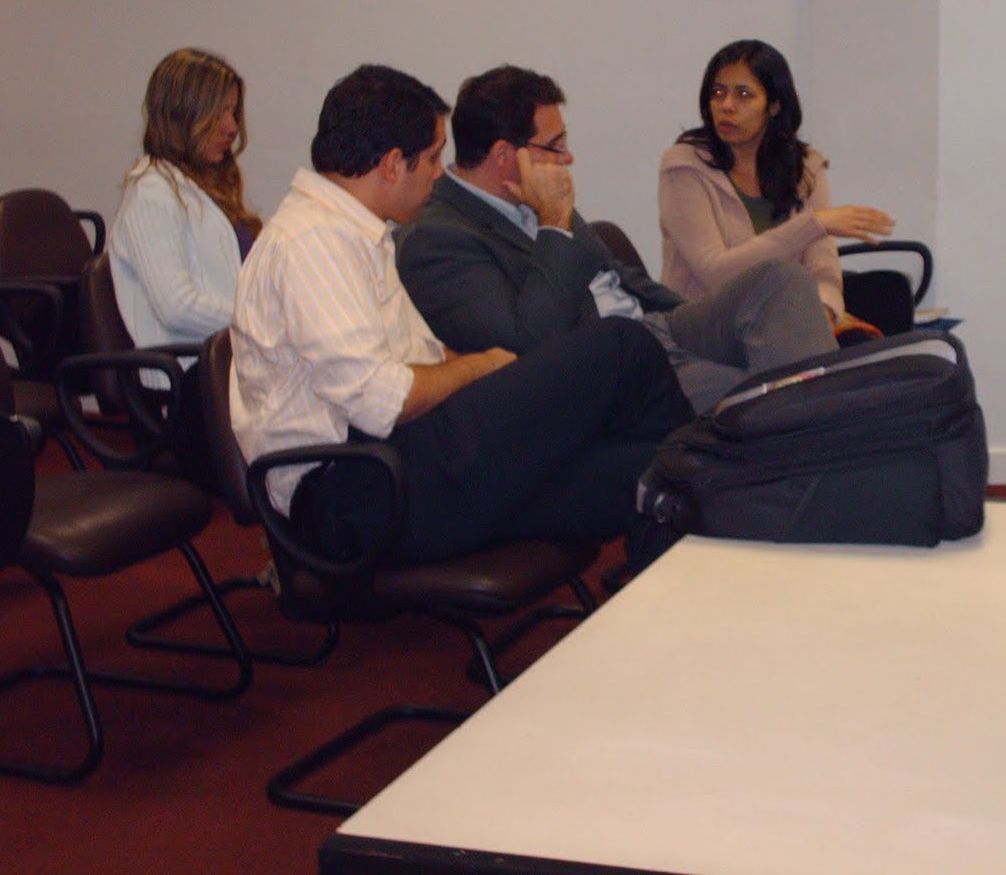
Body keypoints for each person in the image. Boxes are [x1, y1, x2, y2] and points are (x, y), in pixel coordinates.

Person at [229, 65, 693, 568]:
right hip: (354, 492)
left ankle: (688, 549)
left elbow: (420, 357)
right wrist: (481, 366)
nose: (439, 172)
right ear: (392, 165)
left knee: (646, 474)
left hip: (390, 464)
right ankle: (714, 475)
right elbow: (382, 400)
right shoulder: (313, 242)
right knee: (620, 346)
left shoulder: (352, 232)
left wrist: (484, 371)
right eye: (432, 157)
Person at [396, 65, 836, 414]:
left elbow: (619, 276)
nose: (568, 157)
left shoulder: (532, 193)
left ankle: (831, 427)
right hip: (615, 367)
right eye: (555, 145)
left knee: (781, 280)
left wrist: (702, 320)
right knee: (766, 397)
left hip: (656, 329)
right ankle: (833, 439)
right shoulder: (438, 239)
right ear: (505, 156)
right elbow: (525, 346)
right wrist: (554, 223)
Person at [658, 39, 894, 338]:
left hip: (783, 323)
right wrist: (812, 225)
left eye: (744, 94)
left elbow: (823, 266)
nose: (726, 105)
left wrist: (822, 313)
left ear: (774, 105)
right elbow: (716, 274)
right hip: (705, 332)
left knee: (886, 298)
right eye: (718, 93)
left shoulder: (805, 166)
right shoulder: (684, 167)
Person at [109, 47, 262, 485]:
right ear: (182, 114)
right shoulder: (153, 193)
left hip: (225, 375)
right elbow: (177, 306)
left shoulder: (203, 185)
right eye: (220, 113)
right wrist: (263, 321)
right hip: (188, 395)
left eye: (233, 112)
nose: (232, 126)